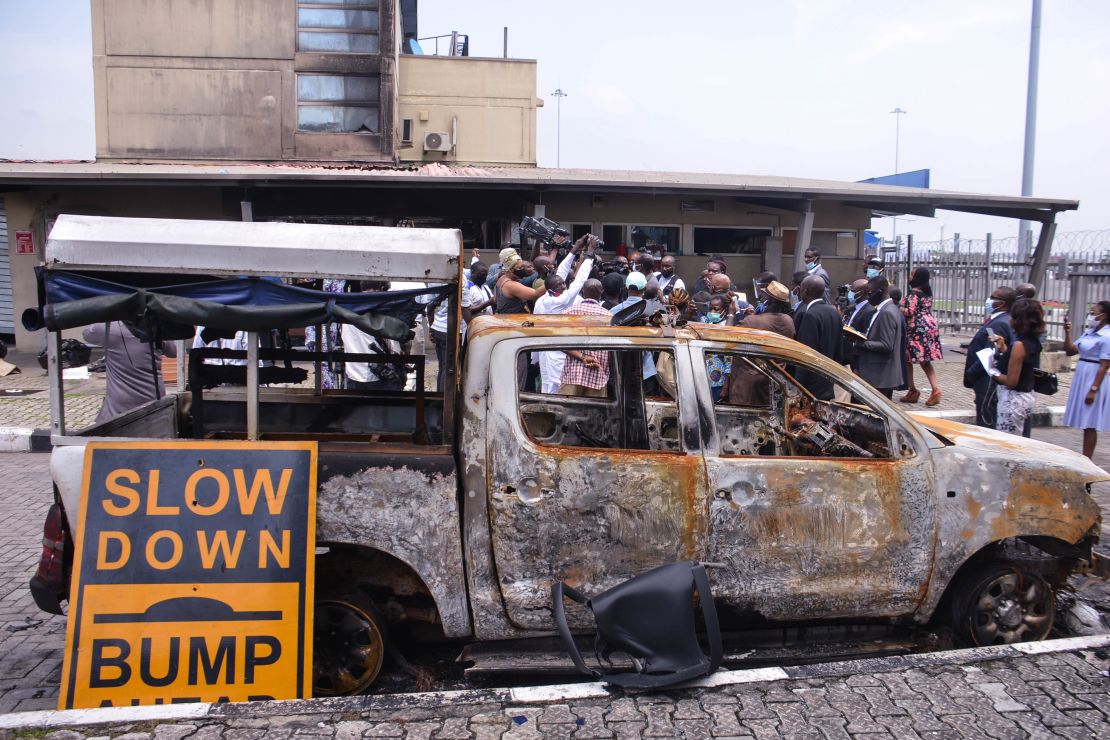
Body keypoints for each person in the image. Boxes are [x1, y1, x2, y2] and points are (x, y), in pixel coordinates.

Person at [83, 321, 177, 423]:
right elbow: (173, 352)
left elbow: (86, 333)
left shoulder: (108, 329)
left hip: (120, 405)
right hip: (154, 398)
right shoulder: (157, 327)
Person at [726, 281, 796, 406]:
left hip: (748, 386)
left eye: (764, 296)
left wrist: (731, 312)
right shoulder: (788, 321)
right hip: (774, 383)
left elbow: (726, 336)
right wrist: (752, 317)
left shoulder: (751, 322)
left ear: (770, 301)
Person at [1061, 301, 1110, 458]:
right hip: (1082, 374)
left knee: (1090, 422)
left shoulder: (1107, 336)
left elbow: (1104, 365)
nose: (1091, 316)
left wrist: (1094, 389)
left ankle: (1087, 459)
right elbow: (1070, 351)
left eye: (1093, 313)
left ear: (1104, 316)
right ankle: (1084, 457)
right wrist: (1067, 332)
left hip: (1094, 377)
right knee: (1085, 420)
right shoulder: (1089, 332)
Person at [963, 286, 1016, 428]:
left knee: (987, 424)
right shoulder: (1003, 320)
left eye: (993, 298)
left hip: (987, 384)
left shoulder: (998, 324)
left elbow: (990, 353)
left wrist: (971, 374)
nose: (989, 300)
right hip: (989, 383)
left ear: (1002, 303)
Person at [990, 298, 1045, 436]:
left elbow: (1011, 381)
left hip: (1013, 402)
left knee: (1008, 444)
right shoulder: (1032, 341)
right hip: (1025, 397)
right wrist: (1004, 348)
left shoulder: (1019, 345)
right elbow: (1018, 362)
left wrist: (992, 371)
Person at [792, 275, 842, 400]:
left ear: (805, 291)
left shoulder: (810, 315)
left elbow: (806, 353)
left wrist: (798, 385)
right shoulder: (834, 312)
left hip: (811, 383)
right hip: (828, 378)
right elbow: (838, 349)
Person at [899, 267, 944, 406]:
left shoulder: (914, 294)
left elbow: (909, 312)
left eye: (912, 275)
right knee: (925, 361)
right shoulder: (927, 293)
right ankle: (935, 389)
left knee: (907, 359)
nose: (910, 277)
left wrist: (896, 306)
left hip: (916, 328)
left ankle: (912, 390)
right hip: (929, 326)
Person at [559, 280, 611, 397]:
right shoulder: (609, 316)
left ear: (582, 292)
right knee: (594, 414)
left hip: (572, 375)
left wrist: (582, 357)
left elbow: (559, 343)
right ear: (601, 292)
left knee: (567, 412)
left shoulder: (568, 313)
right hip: (598, 375)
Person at [856, 276, 905, 398]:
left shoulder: (887, 312)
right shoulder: (885, 309)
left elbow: (886, 345)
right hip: (879, 374)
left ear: (880, 292)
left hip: (880, 375)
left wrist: (859, 343)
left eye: (870, 293)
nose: (868, 297)